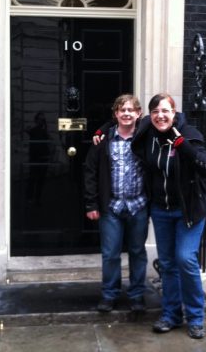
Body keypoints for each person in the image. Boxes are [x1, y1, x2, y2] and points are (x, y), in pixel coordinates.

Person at [94, 93, 206, 339]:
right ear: (150, 115)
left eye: (166, 111)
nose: (161, 116)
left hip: (188, 210)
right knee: (168, 263)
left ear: (174, 112)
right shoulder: (148, 130)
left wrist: (182, 145)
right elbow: (123, 120)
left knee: (185, 259)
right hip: (161, 210)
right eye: (156, 111)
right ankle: (170, 315)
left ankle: (195, 317)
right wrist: (102, 129)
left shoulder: (189, 134)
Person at [84, 94, 149, 313]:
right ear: (116, 114)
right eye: (122, 110)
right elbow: (90, 172)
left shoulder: (145, 137)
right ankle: (109, 295)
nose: (127, 113)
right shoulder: (104, 140)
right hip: (110, 207)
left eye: (131, 110)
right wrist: (91, 204)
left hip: (138, 205)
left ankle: (137, 296)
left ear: (139, 113)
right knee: (110, 253)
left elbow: (173, 118)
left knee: (137, 252)